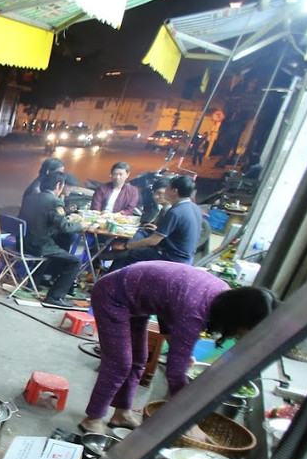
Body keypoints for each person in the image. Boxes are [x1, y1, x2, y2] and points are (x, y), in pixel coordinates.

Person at [79, 262, 278, 435]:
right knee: (119, 363)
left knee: (139, 359)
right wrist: (185, 420)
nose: (241, 336)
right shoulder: (197, 310)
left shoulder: (221, 297)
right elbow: (175, 372)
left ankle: (121, 414)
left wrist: (181, 352)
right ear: (239, 317)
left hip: (137, 301)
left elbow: (170, 309)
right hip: (113, 296)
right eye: (245, 330)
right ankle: (92, 419)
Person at [104, 174, 201, 268]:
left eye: (167, 188)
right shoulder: (194, 207)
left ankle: (111, 279)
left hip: (172, 257)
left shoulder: (175, 212)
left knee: (128, 253)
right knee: (142, 233)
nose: (158, 195)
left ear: (174, 191)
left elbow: (153, 241)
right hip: (185, 256)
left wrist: (127, 246)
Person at [18, 170, 83, 308]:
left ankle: (34, 282)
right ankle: (55, 296)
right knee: (75, 262)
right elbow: (65, 227)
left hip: (21, 243)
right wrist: (81, 224)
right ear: (59, 185)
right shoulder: (54, 202)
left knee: (57, 244)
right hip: (37, 245)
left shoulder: (31, 197)